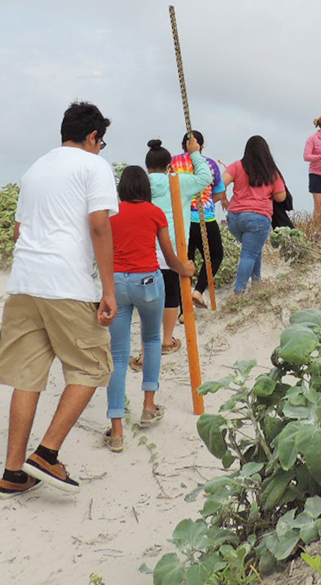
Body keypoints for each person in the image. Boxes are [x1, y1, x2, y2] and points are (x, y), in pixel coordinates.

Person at [0, 101, 117, 497]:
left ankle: (13, 473)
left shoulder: (35, 169)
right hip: (65, 283)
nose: (102, 148)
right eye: (102, 141)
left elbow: (18, 230)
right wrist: (108, 291)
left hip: (24, 283)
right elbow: (99, 226)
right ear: (93, 137)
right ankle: (47, 454)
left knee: (27, 378)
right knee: (93, 365)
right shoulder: (94, 166)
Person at [103, 167, 195, 453]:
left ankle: (116, 430)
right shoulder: (155, 212)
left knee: (117, 355)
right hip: (148, 281)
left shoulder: (111, 214)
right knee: (152, 340)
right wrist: (186, 268)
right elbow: (168, 255)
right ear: (145, 188)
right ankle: (148, 406)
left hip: (117, 282)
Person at [146, 137, 212, 356]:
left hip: (146, 248)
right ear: (169, 166)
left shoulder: (141, 185)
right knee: (172, 294)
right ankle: (166, 339)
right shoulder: (178, 181)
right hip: (174, 248)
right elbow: (206, 177)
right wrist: (195, 154)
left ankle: (149, 343)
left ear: (147, 167)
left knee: (150, 298)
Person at [169, 131, 226, 309]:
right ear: (200, 145)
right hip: (205, 219)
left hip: (181, 218)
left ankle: (182, 307)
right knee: (215, 256)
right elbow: (219, 192)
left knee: (185, 262)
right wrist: (207, 201)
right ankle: (198, 291)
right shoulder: (209, 164)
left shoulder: (173, 162)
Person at [224, 136, 287, 294]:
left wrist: (224, 198)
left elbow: (220, 182)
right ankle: (239, 292)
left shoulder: (237, 166)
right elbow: (280, 196)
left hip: (234, 217)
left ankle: (257, 283)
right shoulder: (271, 171)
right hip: (258, 217)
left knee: (253, 249)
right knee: (249, 253)